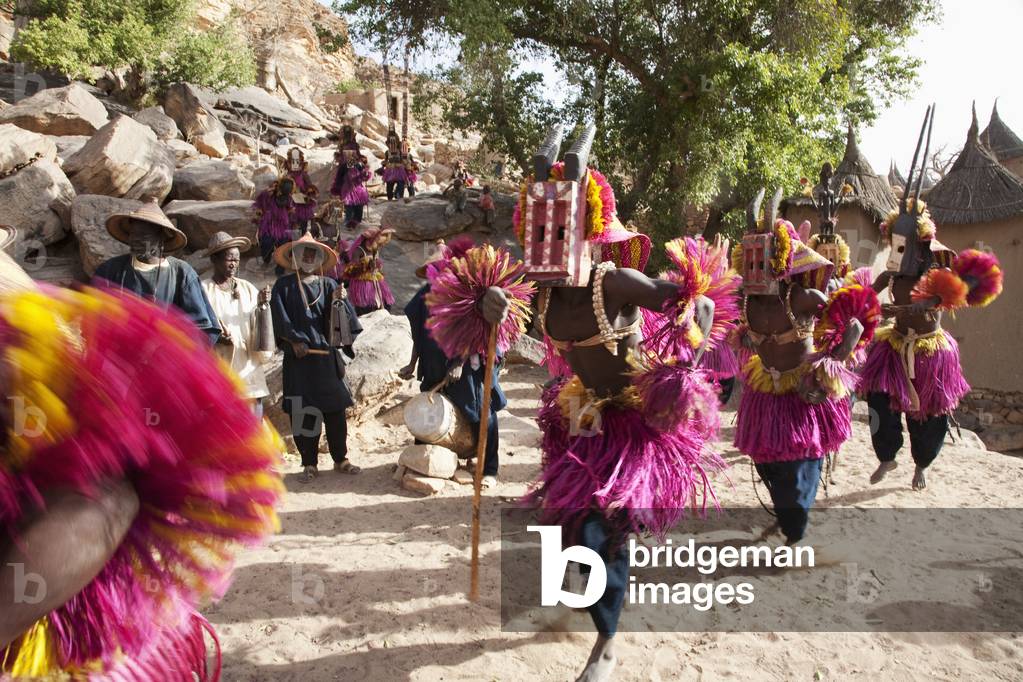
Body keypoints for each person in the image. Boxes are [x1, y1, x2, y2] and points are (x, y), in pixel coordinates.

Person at [499, 138, 727, 682]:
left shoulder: (615, 282)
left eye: (559, 231)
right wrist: (489, 309)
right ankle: (585, 603)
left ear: (586, 231)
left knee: (606, 532)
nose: (549, 243)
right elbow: (497, 317)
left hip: (632, 425)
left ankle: (606, 643)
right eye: (541, 231)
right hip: (580, 421)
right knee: (563, 526)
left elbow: (696, 303)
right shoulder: (544, 291)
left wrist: (688, 362)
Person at [0, 243, 282, 677]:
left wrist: (173, 348)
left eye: (153, 234)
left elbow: (197, 322)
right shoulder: (115, 270)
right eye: (138, 231)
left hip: (161, 384)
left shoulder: (188, 279)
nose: (145, 240)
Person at [859, 118, 1002, 490]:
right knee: (878, 398)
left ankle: (922, 463)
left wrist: (924, 305)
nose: (897, 245)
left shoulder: (937, 261)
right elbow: (877, 286)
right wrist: (859, 301)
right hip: (894, 344)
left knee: (928, 413)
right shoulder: (895, 262)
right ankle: (887, 457)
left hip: (930, 351)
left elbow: (947, 297)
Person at [731, 189, 877, 545]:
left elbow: (854, 327)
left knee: (796, 473)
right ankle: (788, 520)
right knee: (766, 463)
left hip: (802, 394)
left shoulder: (801, 298)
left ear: (777, 261)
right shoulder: (745, 299)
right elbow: (737, 333)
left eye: (760, 260)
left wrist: (826, 370)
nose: (754, 267)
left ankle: (795, 532)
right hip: (765, 392)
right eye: (749, 260)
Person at [400, 237, 504, 486]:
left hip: (465, 365)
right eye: (433, 270)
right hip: (433, 365)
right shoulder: (422, 298)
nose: (438, 273)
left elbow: (477, 331)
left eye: (443, 268)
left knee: (482, 413)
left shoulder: (465, 295)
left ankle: (488, 468)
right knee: (429, 412)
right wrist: (412, 362)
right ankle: (425, 462)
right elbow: (419, 335)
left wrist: (459, 362)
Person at [271, 232, 363, 481]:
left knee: (335, 410)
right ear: (294, 257)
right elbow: (279, 320)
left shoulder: (330, 286)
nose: (310, 257)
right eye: (305, 253)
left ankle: (340, 458)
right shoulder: (284, 286)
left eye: (314, 253)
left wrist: (340, 304)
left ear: (321, 258)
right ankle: (308, 462)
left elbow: (340, 325)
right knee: (302, 412)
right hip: (299, 360)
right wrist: (293, 340)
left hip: (326, 358)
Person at [94, 199, 220, 344]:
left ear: (160, 239)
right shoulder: (110, 270)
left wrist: (163, 342)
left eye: (144, 235)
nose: (136, 239)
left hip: (163, 359)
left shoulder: (182, 273)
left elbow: (199, 328)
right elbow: (94, 316)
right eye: (133, 234)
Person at [201, 231, 274, 416]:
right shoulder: (203, 289)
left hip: (249, 372)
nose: (233, 263)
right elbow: (197, 326)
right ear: (215, 260)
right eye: (229, 259)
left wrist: (262, 305)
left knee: (251, 434)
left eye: (237, 259)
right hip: (219, 371)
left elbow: (260, 327)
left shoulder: (248, 288)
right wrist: (216, 337)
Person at [343, 227, 396, 314]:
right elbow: (350, 272)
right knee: (366, 308)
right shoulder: (358, 251)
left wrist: (378, 268)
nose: (380, 245)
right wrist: (366, 266)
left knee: (385, 303)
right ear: (370, 240)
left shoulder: (375, 250)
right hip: (361, 285)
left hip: (376, 281)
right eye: (378, 243)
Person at [254, 175, 298, 274]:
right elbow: (260, 202)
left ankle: (280, 269)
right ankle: (266, 260)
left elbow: (290, 209)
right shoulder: (270, 195)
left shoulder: (289, 198)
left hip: (283, 227)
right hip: (269, 225)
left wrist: (291, 214)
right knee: (266, 243)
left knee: (283, 247)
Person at [333, 152, 372, 229]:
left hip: (357, 188)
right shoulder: (346, 166)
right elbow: (349, 176)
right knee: (349, 206)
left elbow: (363, 177)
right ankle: (349, 221)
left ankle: (356, 221)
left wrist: (366, 172)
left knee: (357, 205)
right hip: (349, 189)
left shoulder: (359, 165)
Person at [284, 147, 319, 233]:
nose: (295, 163)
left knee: (304, 227)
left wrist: (309, 192)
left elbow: (310, 186)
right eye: (292, 161)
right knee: (291, 228)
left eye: (297, 161)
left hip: (302, 204)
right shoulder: (287, 174)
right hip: (289, 203)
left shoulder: (303, 174)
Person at [381, 129, 409, 200]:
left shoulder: (400, 151)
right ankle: (390, 199)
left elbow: (404, 161)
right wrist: (384, 163)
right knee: (389, 189)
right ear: (388, 144)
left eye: (394, 142)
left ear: (397, 143)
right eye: (391, 143)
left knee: (400, 187)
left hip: (399, 171)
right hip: (390, 171)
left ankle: (400, 198)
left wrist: (402, 164)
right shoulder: (387, 152)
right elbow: (385, 161)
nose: (392, 144)